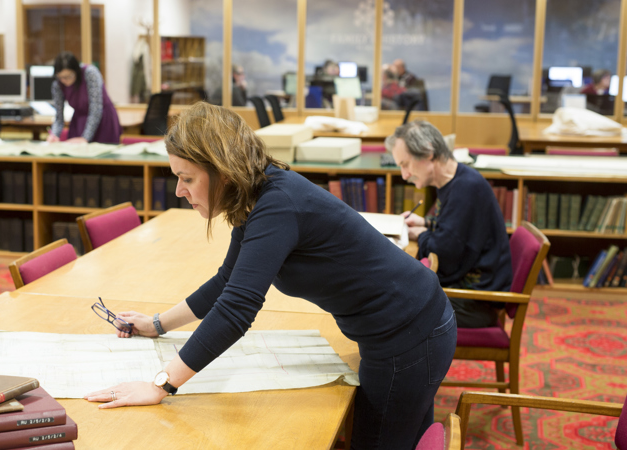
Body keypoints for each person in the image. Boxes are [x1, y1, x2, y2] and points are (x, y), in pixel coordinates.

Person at [84, 103, 457, 449]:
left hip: (409, 336)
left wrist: (162, 384)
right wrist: (157, 324)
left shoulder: (277, 205)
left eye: (187, 178)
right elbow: (226, 281)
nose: (180, 191)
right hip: (403, 327)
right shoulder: (258, 193)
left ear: (222, 171)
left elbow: (237, 309)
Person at [386, 120, 512, 329]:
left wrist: (421, 234)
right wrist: (426, 223)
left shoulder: (466, 189)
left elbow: (444, 255)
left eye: (405, 164)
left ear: (428, 153)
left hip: (476, 301)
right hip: (471, 290)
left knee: (393, 306)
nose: (404, 175)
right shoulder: (457, 180)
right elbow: (457, 229)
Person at [47, 52, 122, 144]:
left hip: (102, 120)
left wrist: (85, 138)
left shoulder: (90, 73)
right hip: (79, 121)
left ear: (76, 71)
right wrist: (54, 135)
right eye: (61, 77)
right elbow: (59, 117)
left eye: (68, 76)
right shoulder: (57, 84)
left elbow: (95, 109)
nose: (64, 80)